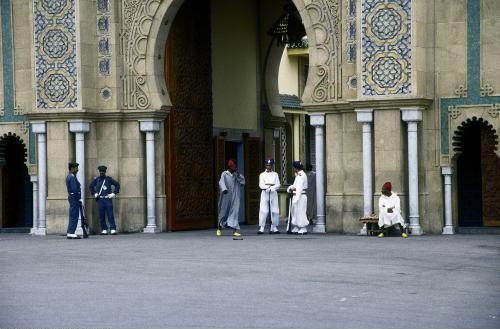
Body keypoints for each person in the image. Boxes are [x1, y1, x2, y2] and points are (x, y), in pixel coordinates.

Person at [217, 159, 245, 239]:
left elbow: (243, 182)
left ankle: (235, 231)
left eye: (235, 167)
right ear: (230, 167)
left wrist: (238, 175)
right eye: (233, 167)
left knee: (235, 212)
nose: (235, 168)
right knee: (224, 212)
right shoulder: (225, 174)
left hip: (235, 196)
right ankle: (219, 228)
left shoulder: (236, 174)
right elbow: (221, 182)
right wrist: (224, 189)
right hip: (226, 196)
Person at [89, 165, 120, 235]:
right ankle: (104, 229)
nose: (102, 173)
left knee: (110, 215)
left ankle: (113, 228)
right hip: (100, 199)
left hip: (108, 199)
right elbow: (90, 186)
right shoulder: (96, 179)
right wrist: (94, 193)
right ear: (99, 172)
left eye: (103, 172)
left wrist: (114, 193)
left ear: (105, 172)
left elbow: (117, 184)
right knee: (101, 215)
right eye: (101, 172)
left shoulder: (109, 179)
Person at [258, 158, 281, 234]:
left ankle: (274, 227)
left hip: (273, 192)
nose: (268, 167)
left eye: (270, 165)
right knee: (264, 210)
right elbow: (261, 185)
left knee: (275, 211)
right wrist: (267, 188)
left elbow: (278, 184)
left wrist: (273, 188)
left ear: (272, 165)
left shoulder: (275, 174)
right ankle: (262, 227)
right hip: (265, 193)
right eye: (267, 165)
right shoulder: (262, 174)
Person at [287, 160, 309, 234]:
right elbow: (295, 185)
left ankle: (303, 227)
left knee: (300, 212)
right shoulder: (299, 174)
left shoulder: (300, 176)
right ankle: (296, 226)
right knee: (295, 212)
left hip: (300, 196)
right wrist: (290, 187)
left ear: (295, 168)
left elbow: (299, 189)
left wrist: (296, 199)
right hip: (298, 195)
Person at [66, 162, 82, 239]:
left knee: (73, 215)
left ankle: (70, 232)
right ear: (72, 168)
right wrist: (78, 197)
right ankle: (71, 232)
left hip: (73, 198)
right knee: (74, 215)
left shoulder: (71, 176)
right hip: (74, 198)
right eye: (76, 168)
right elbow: (74, 189)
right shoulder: (71, 177)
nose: (77, 169)